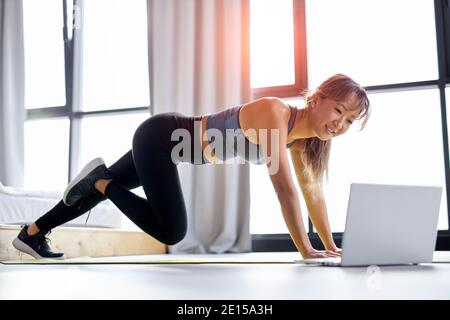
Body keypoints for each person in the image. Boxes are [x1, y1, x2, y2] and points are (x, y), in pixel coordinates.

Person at [12, 73, 370, 260]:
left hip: (168, 148)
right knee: (172, 232)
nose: (340, 123)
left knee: (97, 188)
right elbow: (284, 188)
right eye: (338, 110)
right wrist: (306, 248)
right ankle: (100, 184)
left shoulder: (300, 140)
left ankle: (32, 233)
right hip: (162, 138)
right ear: (318, 98)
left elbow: (312, 195)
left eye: (350, 121)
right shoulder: (275, 112)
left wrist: (331, 246)